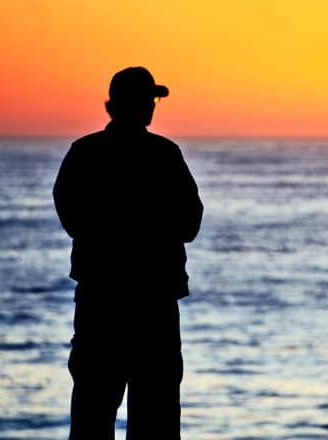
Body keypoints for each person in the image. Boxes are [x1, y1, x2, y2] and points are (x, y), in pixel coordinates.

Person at [53, 66, 203, 439]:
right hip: (152, 305)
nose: (152, 107)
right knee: (156, 419)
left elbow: (71, 218)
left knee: (92, 414)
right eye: (148, 99)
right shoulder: (165, 155)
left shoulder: (84, 154)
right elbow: (190, 223)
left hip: (101, 302)